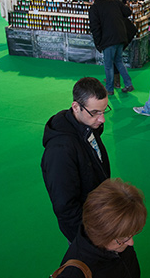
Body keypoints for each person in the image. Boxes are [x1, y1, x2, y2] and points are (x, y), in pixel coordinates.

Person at [49, 178, 146, 278]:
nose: (131, 243)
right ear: (103, 233)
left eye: (132, 234)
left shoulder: (120, 244)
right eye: (124, 238)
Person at [42, 77, 111, 243]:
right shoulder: (60, 151)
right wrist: (87, 240)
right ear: (76, 107)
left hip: (98, 215)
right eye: (95, 112)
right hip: (86, 232)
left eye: (104, 111)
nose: (102, 119)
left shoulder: (86, 125)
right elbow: (66, 208)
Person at [88, 0, 134, 96]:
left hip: (108, 40)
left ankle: (109, 89)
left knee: (108, 65)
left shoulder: (94, 8)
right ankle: (128, 84)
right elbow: (128, 12)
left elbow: (95, 27)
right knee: (119, 61)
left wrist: (98, 43)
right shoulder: (115, 3)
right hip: (121, 37)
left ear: (94, 0)